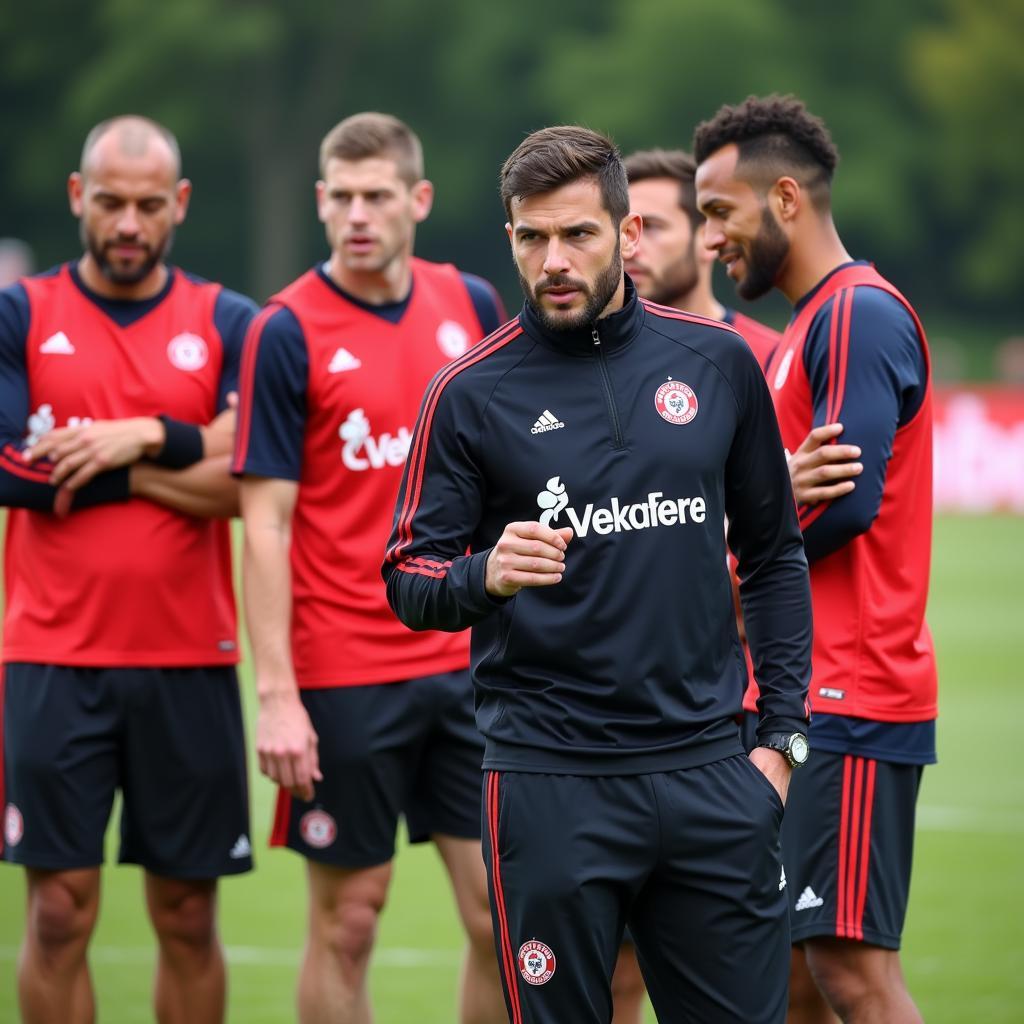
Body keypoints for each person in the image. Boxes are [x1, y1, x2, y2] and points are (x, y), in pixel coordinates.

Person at [383, 124, 813, 1024]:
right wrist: (485, 576)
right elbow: (409, 577)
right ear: (509, 238)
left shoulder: (719, 364)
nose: (553, 260)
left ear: (627, 233)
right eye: (531, 237)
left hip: (711, 775)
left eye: (577, 234)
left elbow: (774, 556)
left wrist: (779, 742)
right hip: (549, 784)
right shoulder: (470, 393)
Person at [232, 112, 506, 1024]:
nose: (358, 214)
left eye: (377, 195)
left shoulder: (470, 304)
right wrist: (278, 695)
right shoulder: (284, 329)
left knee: (500, 914)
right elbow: (263, 524)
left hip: (467, 662)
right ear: (318, 202)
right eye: (340, 197)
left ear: (417, 200)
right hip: (345, 669)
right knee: (349, 919)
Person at [0, 115, 255, 1024]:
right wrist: (185, 461)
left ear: (179, 205)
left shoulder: (228, 320)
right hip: (51, 658)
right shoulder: (20, 313)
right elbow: (11, 471)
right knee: (60, 911)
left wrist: (136, 439)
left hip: (189, 657)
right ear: (79, 196)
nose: (128, 223)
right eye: (110, 202)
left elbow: (254, 479)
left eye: (149, 205)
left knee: (187, 915)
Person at [694, 94, 937, 1024]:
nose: (713, 237)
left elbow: (848, 506)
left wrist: (725, 547)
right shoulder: (803, 330)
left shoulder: (858, 318)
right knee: (793, 973)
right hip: (798, 690)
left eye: (720, 210)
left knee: (850, 970)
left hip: (854, 691)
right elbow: (796, 503)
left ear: (785, 198)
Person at [624, 147, 780, 367]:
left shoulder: (770, 359)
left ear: (707, 238)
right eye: (623, 231)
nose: (630, 247)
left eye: (650, 227)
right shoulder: (592, 361)